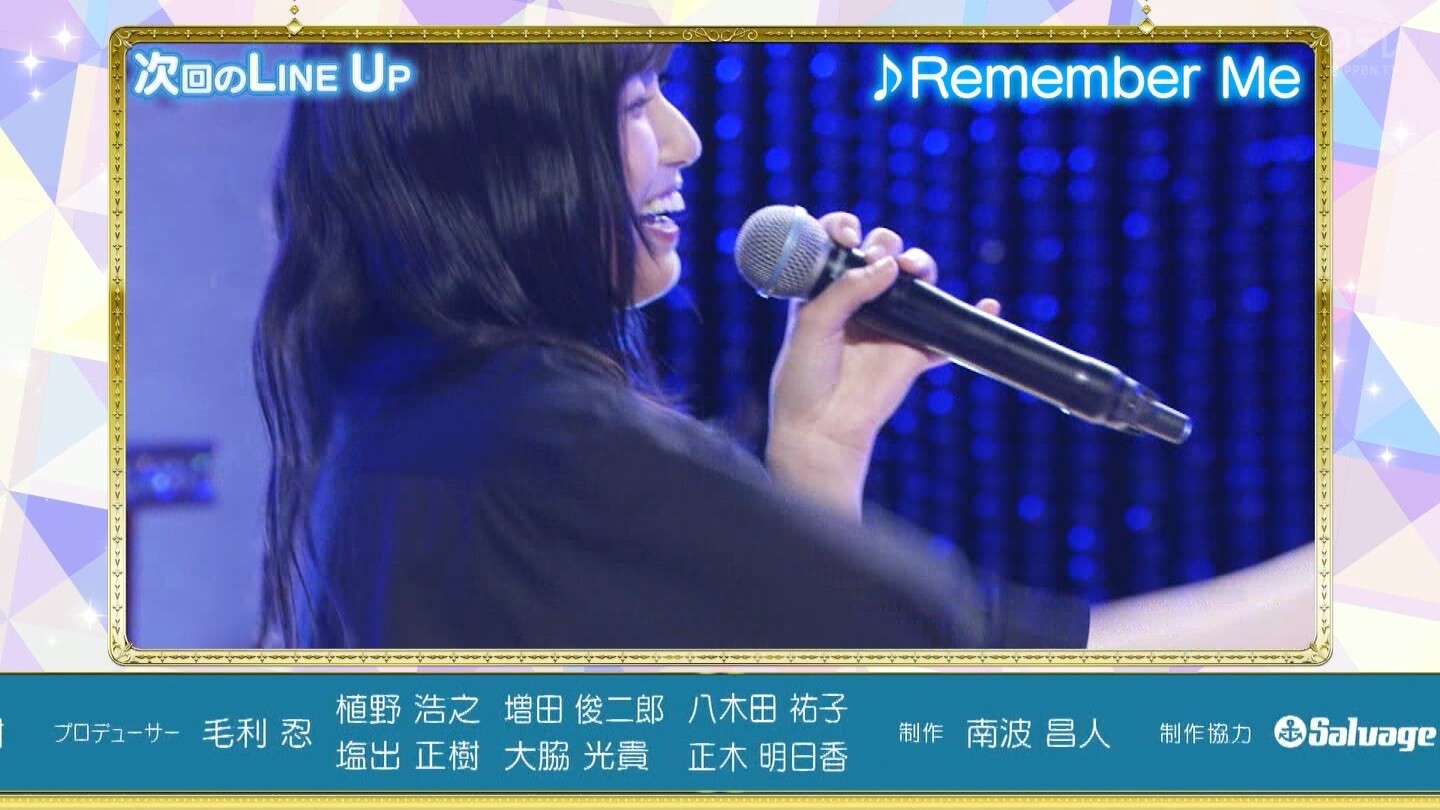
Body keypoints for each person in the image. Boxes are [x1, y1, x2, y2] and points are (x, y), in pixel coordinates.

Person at [253, 43, 1315, 651]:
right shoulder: (550, 441)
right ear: (501, 160)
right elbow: (973, 678)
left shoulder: (409, 415)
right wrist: (1343, 590)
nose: (685, 141)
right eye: (637, 104)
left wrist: (817, 447)